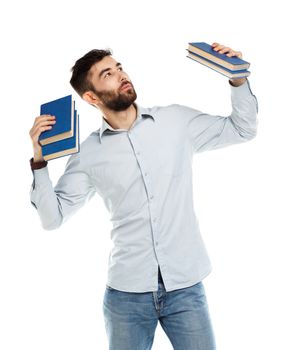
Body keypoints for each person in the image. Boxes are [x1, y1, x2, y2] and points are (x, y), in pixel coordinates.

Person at [29, 42, 258, 350]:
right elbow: (52, 219)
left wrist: (238, 78)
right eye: (107, 73)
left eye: (119, 67)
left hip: (186, 288)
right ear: (91, 97)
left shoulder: (176, 122)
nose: (121, 75)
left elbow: (243, 129)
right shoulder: (88, 155)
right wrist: (39, 161)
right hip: (126, 297)